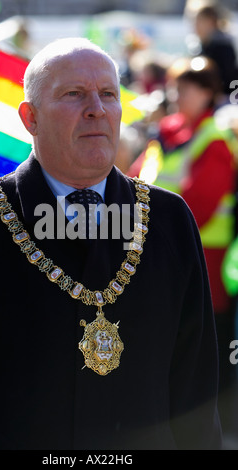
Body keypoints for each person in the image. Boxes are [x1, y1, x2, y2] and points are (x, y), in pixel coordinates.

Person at [0, 38, 221, 450]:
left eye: (108, 94)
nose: (97, 109)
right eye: (74, 94)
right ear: (30, 118)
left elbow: (195, 386)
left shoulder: (169, 219)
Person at [127, 55, 237, 440]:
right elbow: (132, 183)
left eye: (187, 87)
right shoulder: (166, 133)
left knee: (204, 346)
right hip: (152, 253)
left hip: (204, 259)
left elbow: (201, 206)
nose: (177, 94)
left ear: (208, 93)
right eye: (174, 86)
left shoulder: (214, 140)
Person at [192, 5, 238, 99]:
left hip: (224, 98)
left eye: (198, 21)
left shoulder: (222, 45)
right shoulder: (202, 45)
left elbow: (227, 77)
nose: (194, 26)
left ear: (210, 22)